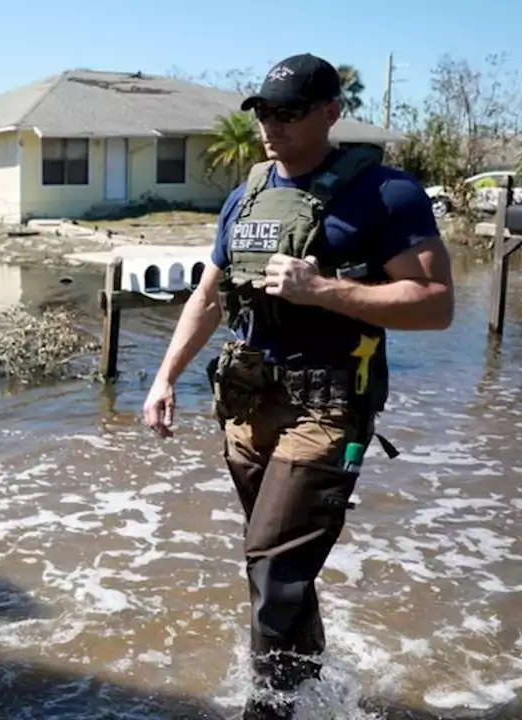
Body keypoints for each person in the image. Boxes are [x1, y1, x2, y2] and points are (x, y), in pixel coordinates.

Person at [139, 54, 454, 719]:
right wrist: (165, 377)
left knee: (274, 565)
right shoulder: (246, 194)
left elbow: (435, 304)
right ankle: (316, 693)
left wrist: (325, 290)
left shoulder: (385, 193)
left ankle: (271, 708)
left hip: (332, 405)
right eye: (264, 113)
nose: (271, 127)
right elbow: (209, 295)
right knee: (276, 568)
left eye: (289, 113)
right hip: (250, 404)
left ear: (331, 113)